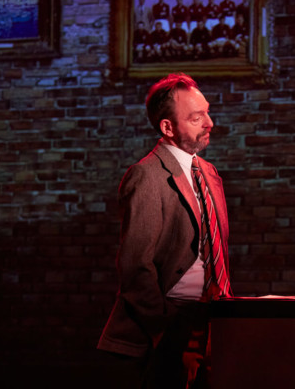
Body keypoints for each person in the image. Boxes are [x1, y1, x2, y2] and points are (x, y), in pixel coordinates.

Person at [98, 73, 232, 388]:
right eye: (197, 118)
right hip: (168, 327)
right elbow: (135, 267)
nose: (209, 123)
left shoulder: (209, 173)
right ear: (168, 127)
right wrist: (166, 327)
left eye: (207, 112)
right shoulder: (146, 175)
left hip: (212, 319)